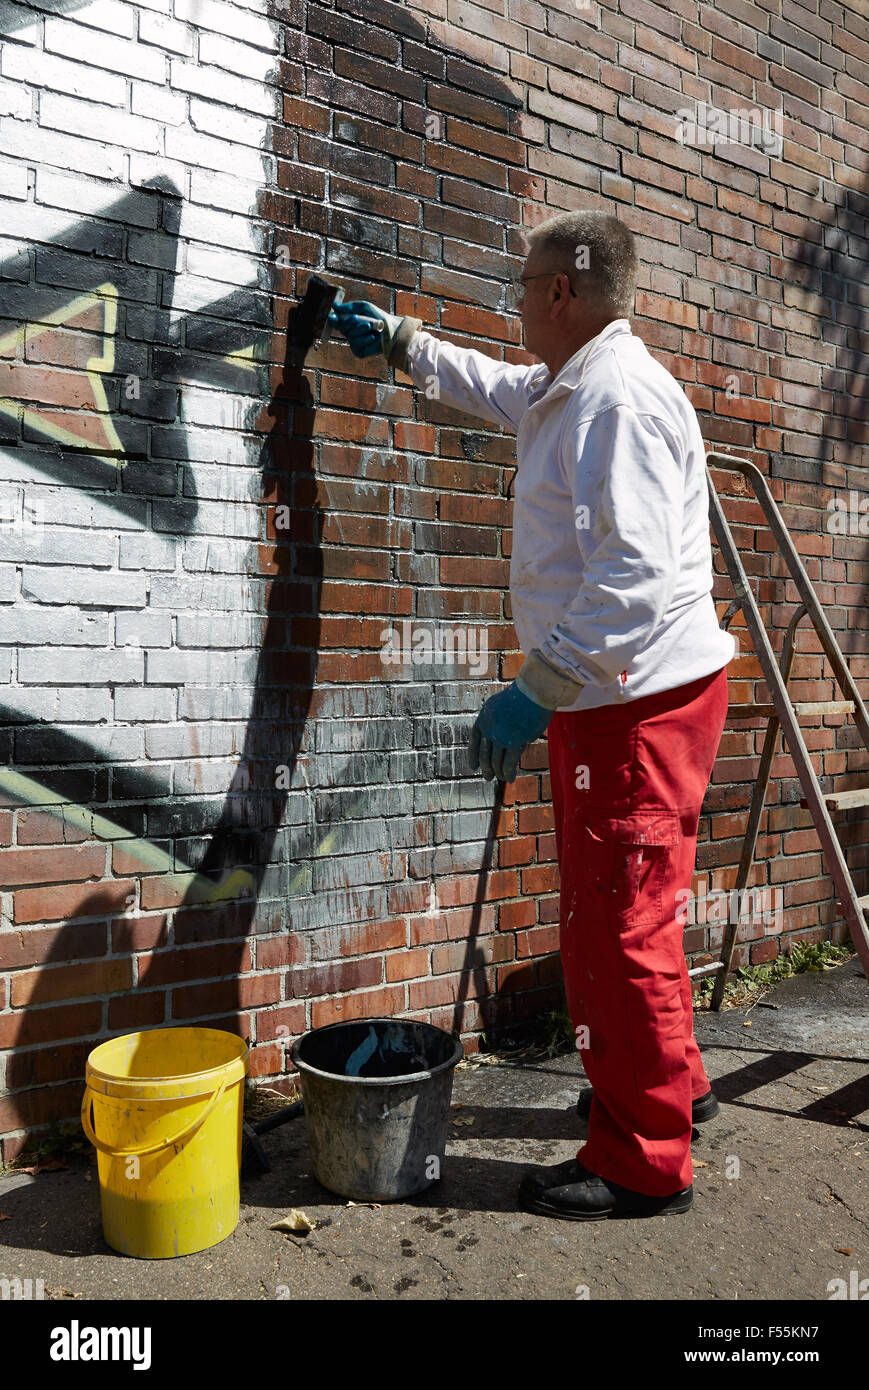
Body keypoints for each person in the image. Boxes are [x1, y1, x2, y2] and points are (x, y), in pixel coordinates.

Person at [329, 210, 735, 1220]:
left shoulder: (616, 401)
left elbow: (631, 581)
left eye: (521, 286)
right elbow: (495, 390)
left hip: (628, 704)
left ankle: (642, 1161)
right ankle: (673, 1087)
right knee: (633, 909)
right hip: (623, 700)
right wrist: (404, 345)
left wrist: (533, 690)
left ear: (562, 292)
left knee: (618, 924)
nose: (514, 301)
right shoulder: (571, 387)